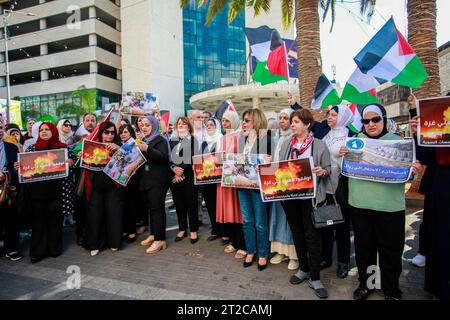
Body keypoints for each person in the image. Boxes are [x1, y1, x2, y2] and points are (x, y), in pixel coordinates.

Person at [339, 104, 421, 300]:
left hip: (389, 207)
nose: (370, 124)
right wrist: (342, 155)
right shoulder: (355, 141)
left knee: (390, 251)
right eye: (366, 121)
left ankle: (391, 290)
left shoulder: (398, 142)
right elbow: (345, 169)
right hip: (360, 205)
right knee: (364, 250)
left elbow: (408, 175)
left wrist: (413, 171)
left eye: (375, 119)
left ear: (384, 120)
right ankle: (367, 285)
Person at [279, 109, 331, 299]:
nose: (293, 125)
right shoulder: (286, 144)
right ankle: (304, 269)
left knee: (312, 237)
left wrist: (321, 171)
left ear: (307, 124)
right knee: (297, 234)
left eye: (297, 122)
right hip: (290, 199)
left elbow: (328, 169)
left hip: (311, 199)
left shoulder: (318, 145)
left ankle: (315, 277)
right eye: (292, 122)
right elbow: (280, 169)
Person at [410, 107, 450, 300]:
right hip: (442, 184)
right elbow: (425, 157)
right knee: (441, 234)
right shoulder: (439, 123)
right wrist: (419, 133)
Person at [23, 122, 74, 263]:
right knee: (38, 222)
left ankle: (54, 249)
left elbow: (73, 165)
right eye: (41, 130)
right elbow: (25, 168)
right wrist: (19, 166)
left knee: (54, 222)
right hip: (37, 193)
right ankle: (38, 252)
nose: (44, 132)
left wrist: (70, 163)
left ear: (53, 131)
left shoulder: (63, 149)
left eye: (47, 129)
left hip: (57, 192)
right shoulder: (32, 148)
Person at [314, 105, 355, 279]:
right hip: (326, 187)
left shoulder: (351, 136)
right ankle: (326, 258)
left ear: (343, 117)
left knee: (342, 227)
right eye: (328, 115)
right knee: (326, 225)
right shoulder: (326, 136)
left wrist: (351, 153)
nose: (329, 117)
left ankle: (344, 261)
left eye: (333, 115)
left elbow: (359, 159)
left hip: (343, 189)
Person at [237, 108, 273, 271]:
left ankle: (263, 254)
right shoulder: (241, 139)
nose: (243, 123)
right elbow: (237, 162)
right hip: (243, 185)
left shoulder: (267, 139)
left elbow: (272, 167)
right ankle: (251, 251)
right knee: (247, 221)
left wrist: (264, 166)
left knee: (260, 223)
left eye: (246, 120)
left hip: (259, 186)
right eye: (243, 120)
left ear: (256, 121)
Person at [85, 121, 124, 256]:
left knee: (114, 214)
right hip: (96, 187)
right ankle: (95, 244)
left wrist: (118, 149)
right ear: (101, 133)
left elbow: (128, 162)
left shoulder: (119, 146)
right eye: (106, 132)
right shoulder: (92, 146)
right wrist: (82, 157)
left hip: (113, 186)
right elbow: (85, 167)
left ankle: (114, 242)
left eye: (112, 132)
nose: (110, 135)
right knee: (95, 215)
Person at [269, 108, 299, 270]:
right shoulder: (276, 137)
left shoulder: (296, 138)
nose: (282, 121)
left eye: (286, 118)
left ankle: (294, 255)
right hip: (276, 184)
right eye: (280, 117)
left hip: (291, 186)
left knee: (290, 221)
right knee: (278, 218)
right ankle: (280, 251)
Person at [136, 116, 172, 254]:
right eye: (142, 125)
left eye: (147, 125)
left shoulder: (160, 139)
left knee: (157, 209)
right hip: (146, 180)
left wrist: (147, 148)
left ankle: (160, 240)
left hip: (158, 180)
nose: (144, 127)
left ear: (154, 125)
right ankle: (154, 234)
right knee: (151, 208)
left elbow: (163, 157)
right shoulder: (143, 140)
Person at [169, 117, 200, 244]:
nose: (181, 125)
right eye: (179, 124)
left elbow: (194, 157)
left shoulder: (193, 140)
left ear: (188, 126)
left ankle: (193, 230)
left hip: (189, 177)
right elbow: (168, 158)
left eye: (184, 123)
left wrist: (181, 169)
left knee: (191, 204)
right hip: (175, 177)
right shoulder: (172, 141)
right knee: (179, 205)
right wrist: (173, 169)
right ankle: (182, 229)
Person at [0, 117, 23, 261]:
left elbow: (17, 166)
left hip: (7, 188)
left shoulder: (11, 147)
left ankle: (11, 248)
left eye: (0, 126)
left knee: (10, 218)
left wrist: (12, 171)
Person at [117, 124, 140, 243]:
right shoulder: (119, 145)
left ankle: (132, 231)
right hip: (120, 180)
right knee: (122, 205)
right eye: (121, 132)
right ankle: (124, 229)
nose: (123, 134)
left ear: (131, 132)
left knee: (131, 206)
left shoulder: (135, 144)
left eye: (125, 132)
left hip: (132, 179)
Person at [200, 118, 222, 241]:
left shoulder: (221, 139)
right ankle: (215, 229)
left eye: (211, 124)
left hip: (218, 180)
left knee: (220, 205)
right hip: (206, 180)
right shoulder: (203, 143)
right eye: (207, 125)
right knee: (210, 205)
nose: (209, 126)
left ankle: (223, 230)